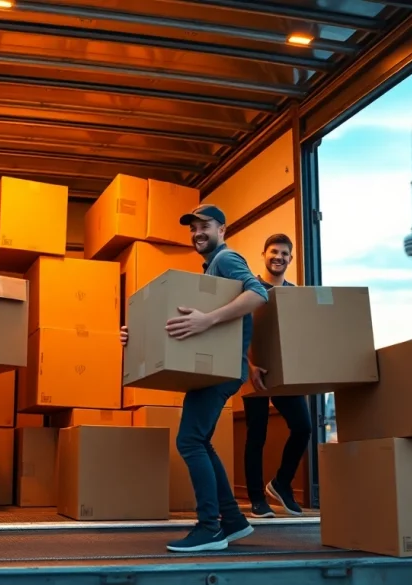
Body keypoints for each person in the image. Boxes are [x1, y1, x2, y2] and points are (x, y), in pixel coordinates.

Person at [121, 204, 268, 553]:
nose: (198, 232)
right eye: (193, 228)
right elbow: (180, 321)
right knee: (198, 441)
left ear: (222, 228)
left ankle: (209, 528)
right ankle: (232, 521)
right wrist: (137, 334)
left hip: (219, 371)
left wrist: (209, 320)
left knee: (189, 441)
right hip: (221, 369)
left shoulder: (226, 260)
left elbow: (259, 294)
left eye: (205, 225)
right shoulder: (209, 270)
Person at [244, 234, 312, 518]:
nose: (279, 257)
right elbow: (238, 331)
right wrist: (248, 365)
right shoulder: (250, 288)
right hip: (254, 371)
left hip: (284, 372)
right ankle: (257, 499)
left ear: (290, 259)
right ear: (264, 254)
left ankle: (281, 484)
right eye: (274, 252)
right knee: (256, 435)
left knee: (303, 427)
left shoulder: (293, 294)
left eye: (285, 254)